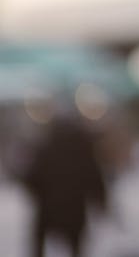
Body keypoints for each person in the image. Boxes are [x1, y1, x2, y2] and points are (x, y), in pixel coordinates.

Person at [22, 110, 109, 257]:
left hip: (49, 208)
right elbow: (94, 177)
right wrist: (101, 200)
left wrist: (40, 195)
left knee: (39, 243)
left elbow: (30, 178)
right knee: (76, 247)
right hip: (75, 208)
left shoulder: (45, 146)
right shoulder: (83, 148)